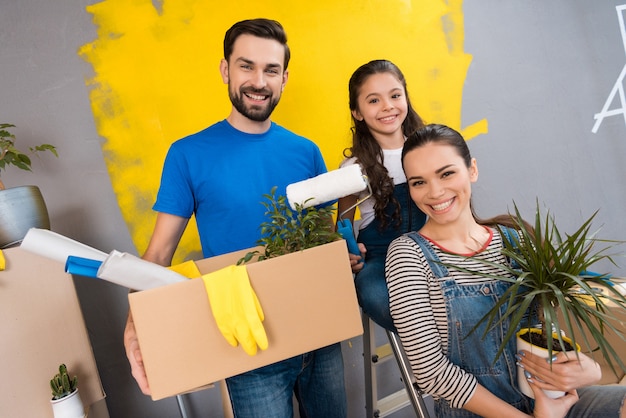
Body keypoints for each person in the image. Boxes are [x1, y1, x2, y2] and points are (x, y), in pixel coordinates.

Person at [123, 18, 347, 418]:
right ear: (226, 69)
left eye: (271, 70)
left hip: (319, 328)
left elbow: (323, 241)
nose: (258, 81)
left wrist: (345, 254)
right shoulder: (188, 154)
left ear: (284, 78)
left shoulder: (306, 152)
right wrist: (135, 322)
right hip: (248, 342)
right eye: (246, 66)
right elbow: (158, 253)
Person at [385, 123, 626, 417]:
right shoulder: (408, 254)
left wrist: (588, 370)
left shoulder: (516, 239)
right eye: (418, 182)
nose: (434, 192)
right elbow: (430, 373)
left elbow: (541, 329)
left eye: (446, 173)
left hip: (550, 401)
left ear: (472, 169)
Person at [337, 59, 427, 331]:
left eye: (395, 96)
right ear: (357, 112)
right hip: (380, 258)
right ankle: (426, 347)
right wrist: (347, 250)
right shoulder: (353, 168)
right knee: (376, 296)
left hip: (431, 249)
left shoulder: (429, 150)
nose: (388, 106)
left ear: (406, 98)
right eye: (373, 100)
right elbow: (342, 226)